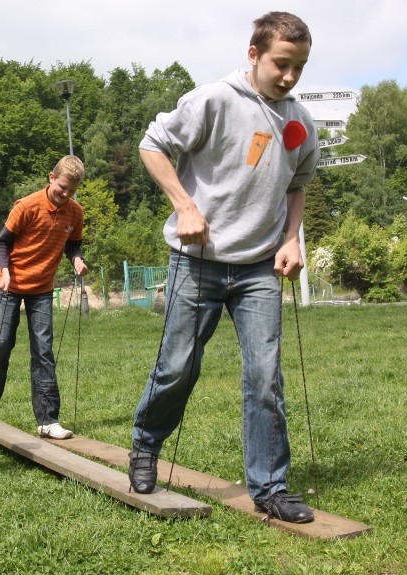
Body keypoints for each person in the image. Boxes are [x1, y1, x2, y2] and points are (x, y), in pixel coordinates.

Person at [127, 12, 319, 524]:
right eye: (282, 64)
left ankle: (270, 485)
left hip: (259, 268)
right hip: (198, 263)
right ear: (254, 53)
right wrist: (185, 206)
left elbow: (297, 184)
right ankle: (146, 446)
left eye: (299, 67)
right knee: (178, 367)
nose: (290, 76)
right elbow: (152, 145)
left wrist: (291, 239)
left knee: (264, 377)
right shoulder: (213, 99)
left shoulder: (300, 121)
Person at [0, 155, 88, 440]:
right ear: (51, 177)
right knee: (1, 341)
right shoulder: (26, 206)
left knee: (43, 351)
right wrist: (7, 271)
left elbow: (73, 245)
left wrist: (77, 260)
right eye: (62, 187)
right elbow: (1, 242)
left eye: (71, 191)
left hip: (42, 288)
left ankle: (48, 420)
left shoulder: (75, 213)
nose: (65, 194)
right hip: (9, 284)